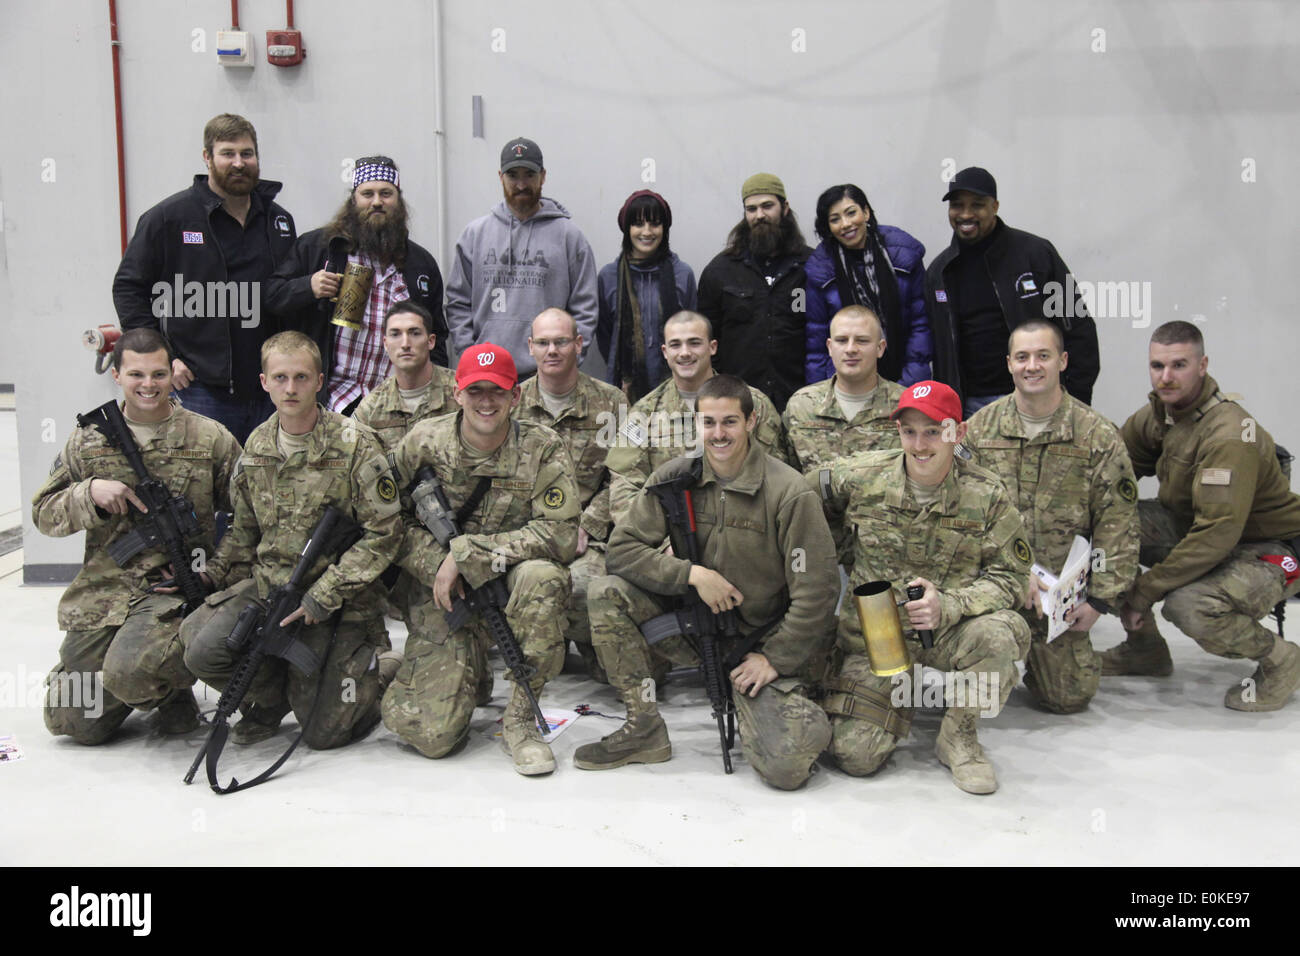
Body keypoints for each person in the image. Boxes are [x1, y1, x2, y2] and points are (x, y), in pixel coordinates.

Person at [575, 374, 838, 789]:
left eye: (729, 422)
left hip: (758, 642)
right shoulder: (672, 479)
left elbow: (819, 590)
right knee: (606, 593)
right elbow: (622, 551)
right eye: (709, 422)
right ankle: (643, 727)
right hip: (693, 626)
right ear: (696, 425)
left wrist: (775, 659)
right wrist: (692, 575)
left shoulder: (788, 492)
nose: (718, 434)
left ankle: (805, 701)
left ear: (751, 423)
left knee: (786, 770)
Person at [181, 332, 402, 748]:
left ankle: (382, 667)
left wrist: (324, 593)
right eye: (280, 377)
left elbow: (385, 533)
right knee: (201, 648)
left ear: (320, 381)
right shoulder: (257, 445)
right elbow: (243, 533)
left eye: (301, 377)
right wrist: (211, 576)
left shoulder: (356, 444)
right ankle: (271, 699)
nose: (291, 388)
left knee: (323, 733)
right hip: (271, 589)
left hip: (336, 602)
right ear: (264, 381)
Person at [817, 381, 1032, 793]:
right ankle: (891, 702)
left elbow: (1011, 577)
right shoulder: (862, 476)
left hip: (948, 632)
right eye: (909, 431)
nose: (920, 444)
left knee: (1000, 633)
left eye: (934, 431)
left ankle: (959, 735)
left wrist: (949, 605)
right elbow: (796, 498)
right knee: (856, 757)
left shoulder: (986, 494)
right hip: (878, 639)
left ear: (958, 433)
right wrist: (837, 550)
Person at [33, 329, 241, 743]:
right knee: (73, 724)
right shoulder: (89, 440)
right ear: (117, 375)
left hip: (176, 591)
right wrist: (87, 493)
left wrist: (217, 572)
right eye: (137, 375)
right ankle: (104, 672)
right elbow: (43, 513)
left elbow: (251, 514)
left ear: (173, 373)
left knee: (131, 674)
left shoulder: (209, 437)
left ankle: (168, 688)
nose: (149, 385)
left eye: (159, 374)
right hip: (106, 590)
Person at [382, 344, 581, 774]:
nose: (486, 401)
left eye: (498, 391)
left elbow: (562, 535)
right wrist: (437, 562)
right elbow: (382, 518)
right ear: (457, 394)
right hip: (444, 591)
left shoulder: (542, 447)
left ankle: (521, 721)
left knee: (545, 577)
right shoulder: (423, 442)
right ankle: (410, 672)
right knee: (433, 737)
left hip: (508, 583)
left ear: (516, 397)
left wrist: (469, 553)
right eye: (476, 391)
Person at [1103, 321, 1300, 711]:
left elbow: (1217, 535)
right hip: (1193, 526)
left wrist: (1143, 592)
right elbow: (1114, 467)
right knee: (1100, 529)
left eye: (1179, 365)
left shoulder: (1227, 434)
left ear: (1203, 364)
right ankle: (1145, 650)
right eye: (1157, 366)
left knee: (1188, 606)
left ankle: (1282, 660)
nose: (1166, 377)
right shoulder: (1162, 414)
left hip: (1263, 545)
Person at [964, 321, 1139, 713]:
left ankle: (1041, 655)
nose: (1032, 366)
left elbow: (1119, 524)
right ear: (1009, 364)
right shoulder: (978, 432)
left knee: (1068, 697)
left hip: (1058, 598)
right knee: (978, 692)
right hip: (995, 586)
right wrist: (1009, 568)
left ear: (1062, 361)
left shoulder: (1097, 436)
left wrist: (1099, 602)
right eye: (1022, 357)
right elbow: (961, 511)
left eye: (1043, 356)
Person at [113, 113, 297, 445]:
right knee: (205, 489)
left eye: (247, 153)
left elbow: (284, 295)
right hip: (200, 390)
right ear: (207, 158)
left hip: (270, 388)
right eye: (228, 153)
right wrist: (164, 357)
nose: (239, 163)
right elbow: (129, 287)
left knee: (265, 488)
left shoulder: (278, 221)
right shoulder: (168, 219)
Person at [265, 157, 446, 414]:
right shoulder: (320, 247)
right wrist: (309, 287)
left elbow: (436, 337)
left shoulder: (420, 263)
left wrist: (432, 401)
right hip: (332, 400)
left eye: (386, 193)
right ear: (353, 200)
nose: (377, 202)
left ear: (399, 200)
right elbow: (271, 296)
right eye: (367, 194)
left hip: (393, 405)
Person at [923, 167, 1100, 417]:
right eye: (957, 205)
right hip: (970, 409)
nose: (965, 214)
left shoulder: (1036, 254)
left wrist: (1076, 400)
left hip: (1038, 400)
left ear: (995, 206)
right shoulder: (938, 273)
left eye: (977, 205)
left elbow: (1079, 326)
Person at [513, 309, 625, 678]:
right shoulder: (510, 405)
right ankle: (541, 649)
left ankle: (579, 645)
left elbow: (626, 475)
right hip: (529, 535)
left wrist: (589, 525)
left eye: (561, 341)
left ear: (578, 344)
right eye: (543, 342)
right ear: (530, 347)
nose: (552, 350)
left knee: (609, 664)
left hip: (589, 541)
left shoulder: (614, 404)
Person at [604, 311, 793, 525]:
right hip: (672, 540)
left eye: (694, 343)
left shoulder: (753, 403)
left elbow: (778, 478)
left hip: (745, 533)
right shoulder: (643, 415)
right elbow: (623, 491)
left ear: (712, 347)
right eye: (676, 345)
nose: (685, 353)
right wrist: (664, 543)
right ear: (665, 352)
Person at [444, 137, 599, 375]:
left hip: (548, 374)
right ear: (500, 177)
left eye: (529, 174)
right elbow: (457, 302)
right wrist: (469, 355)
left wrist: (569, 360)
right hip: (488, 372)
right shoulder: (475, 234)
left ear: (543, 176)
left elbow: (585, 307)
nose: (521, 184)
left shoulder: (569, 236)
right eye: (513, 175)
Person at [698, 173, 813, 412]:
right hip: (740, 405)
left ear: (785, 208)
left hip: (800, 401)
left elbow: (823, 334)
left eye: (767, 206)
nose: (759, 215)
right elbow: (707, 341)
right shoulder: (720, 271)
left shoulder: (811, 266)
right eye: (751, 209)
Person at [804, 184, 930, 387]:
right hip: (847, 384)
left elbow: (920, 324)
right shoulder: (820, 270)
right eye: (835, 219)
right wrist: (825, 391)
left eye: (851, 213)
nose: (845, 224)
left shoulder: (903, 255)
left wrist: (910, 384)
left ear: (866, 212)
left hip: (904, 378)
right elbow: (817, 340)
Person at [595, 189, 697, 403]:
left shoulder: (682, 274)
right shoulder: (609, 276)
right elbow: (605, 334)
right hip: (624, 389)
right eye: (638, 224)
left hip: (678, 388)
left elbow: (693, 329)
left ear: (665, 228)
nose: (647, 232)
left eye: (655, 223)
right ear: (627, 228)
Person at [783, 305, 903, 476]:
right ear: (830, 347)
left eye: (862, 340)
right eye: (841, 340)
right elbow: (787, 477)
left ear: (880, 348)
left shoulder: (906, 405)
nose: (851, 349)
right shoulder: (802, 405)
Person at [351, 301, 458, 451]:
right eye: (395, 334)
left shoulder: (462, 392)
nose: (405, 343)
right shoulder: (371, 408)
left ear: (431, 341)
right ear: (386, 344)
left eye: (415, 333)